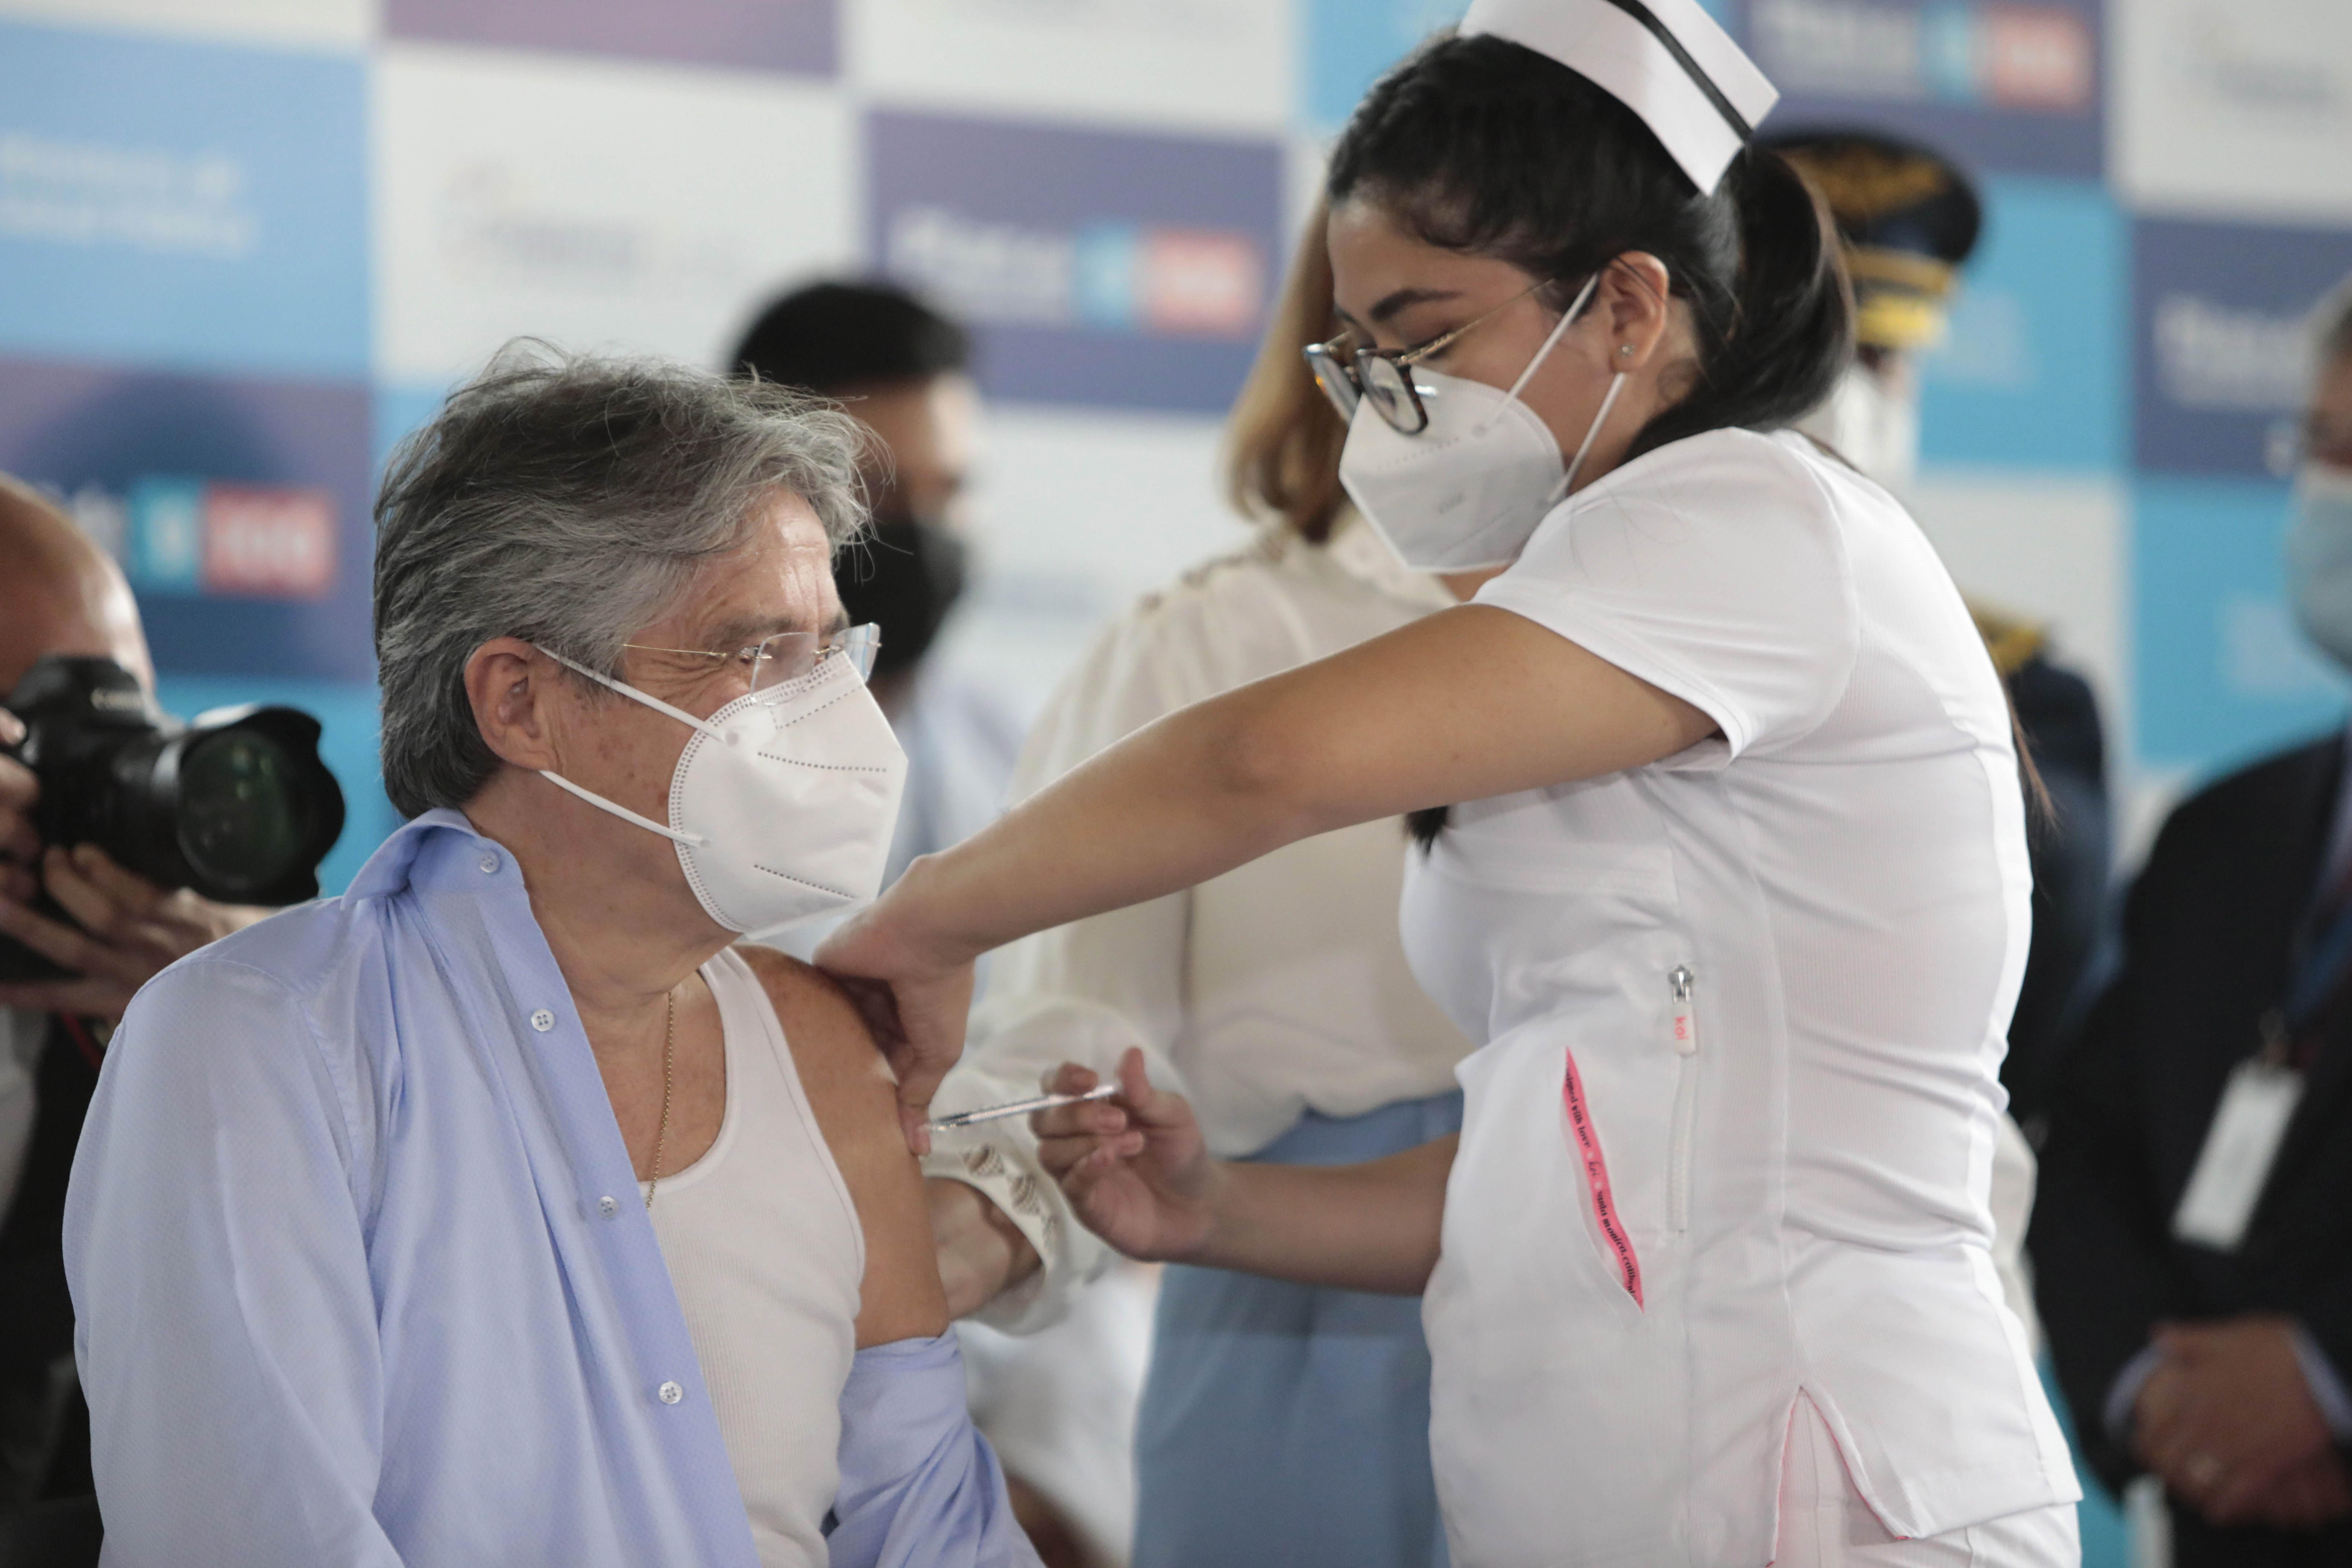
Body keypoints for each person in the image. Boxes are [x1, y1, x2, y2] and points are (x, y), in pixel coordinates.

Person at [819, 1, 2082, 1562]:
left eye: (1423, 342)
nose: (1383, 407)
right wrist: (1219, 1214)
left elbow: (1260, 761)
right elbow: (1552, 1158)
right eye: (1356, 358)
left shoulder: (1750, 517)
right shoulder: (1588, 601)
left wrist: (920, 921)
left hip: (1807, 1484)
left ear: (1627, 306)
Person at [62, 351, 1036, 1568]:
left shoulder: (828, 1052)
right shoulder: (259, 1042)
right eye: (759, 655)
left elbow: (933, 1531)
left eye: (831, 650)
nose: (833, 710)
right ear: (520, 703)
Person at [917, 198, 1472, 1568]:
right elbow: (1066, 1047)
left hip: (1636, 1349)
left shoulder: (1685, 649)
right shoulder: (1211, 644)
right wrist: (967, 1236)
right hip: (1293, 1351)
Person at [2031, 276, 2352, 1566]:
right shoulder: (2229, 832)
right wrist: (2156, 1396)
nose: (2331, 493)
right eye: (2323, 447)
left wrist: (2329, 1379)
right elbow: (2091, 1144)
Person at [1769, 127, 2112, 1128]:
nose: (1835, 398)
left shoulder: (2028, 697)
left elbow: (2033, 1035)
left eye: (1875, 358)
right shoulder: (1592, 643)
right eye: (1803, 354)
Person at [0, 475, 267, 1512]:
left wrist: (237, 1016)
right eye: (38, 737)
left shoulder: (180, 979)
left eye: (121, 729)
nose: (91, 785)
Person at [731, 281, 1020, 891]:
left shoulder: (1003, 744)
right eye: (877, 494)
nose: (921, 532)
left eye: (948, 492)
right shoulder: (684, 755)